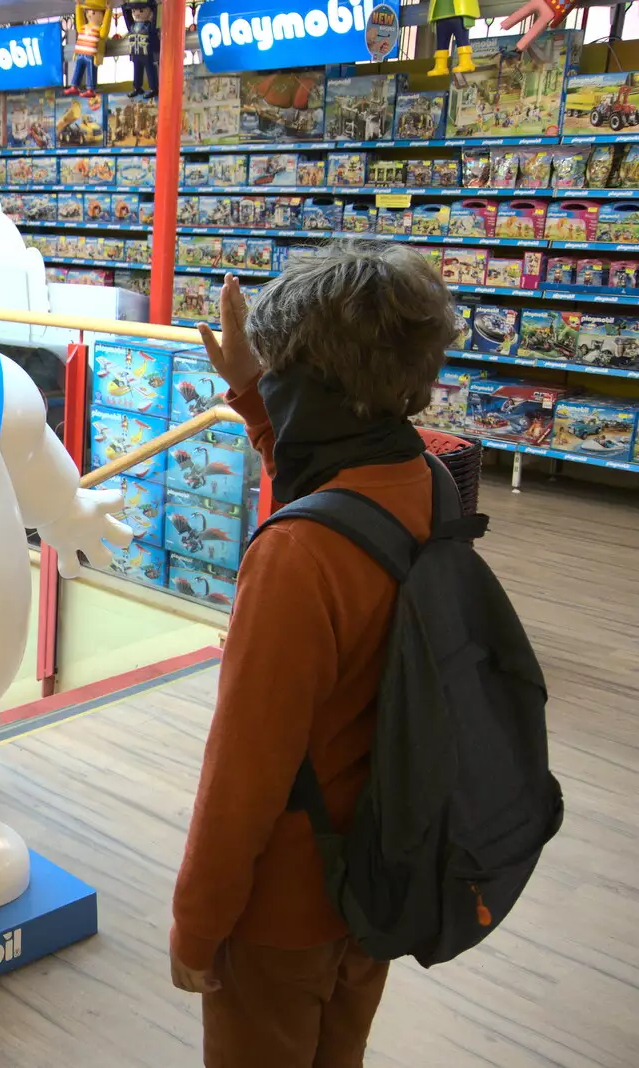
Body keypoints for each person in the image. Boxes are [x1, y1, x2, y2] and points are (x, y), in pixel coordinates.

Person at [170, 241, 455, 1067]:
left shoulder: (295, 557)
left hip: (284, 908)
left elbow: (244, 775)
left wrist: (198, 924)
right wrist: (258, 398)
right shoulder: (424, 480)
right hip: (377, 872)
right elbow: (335, 491)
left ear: (313, 379)